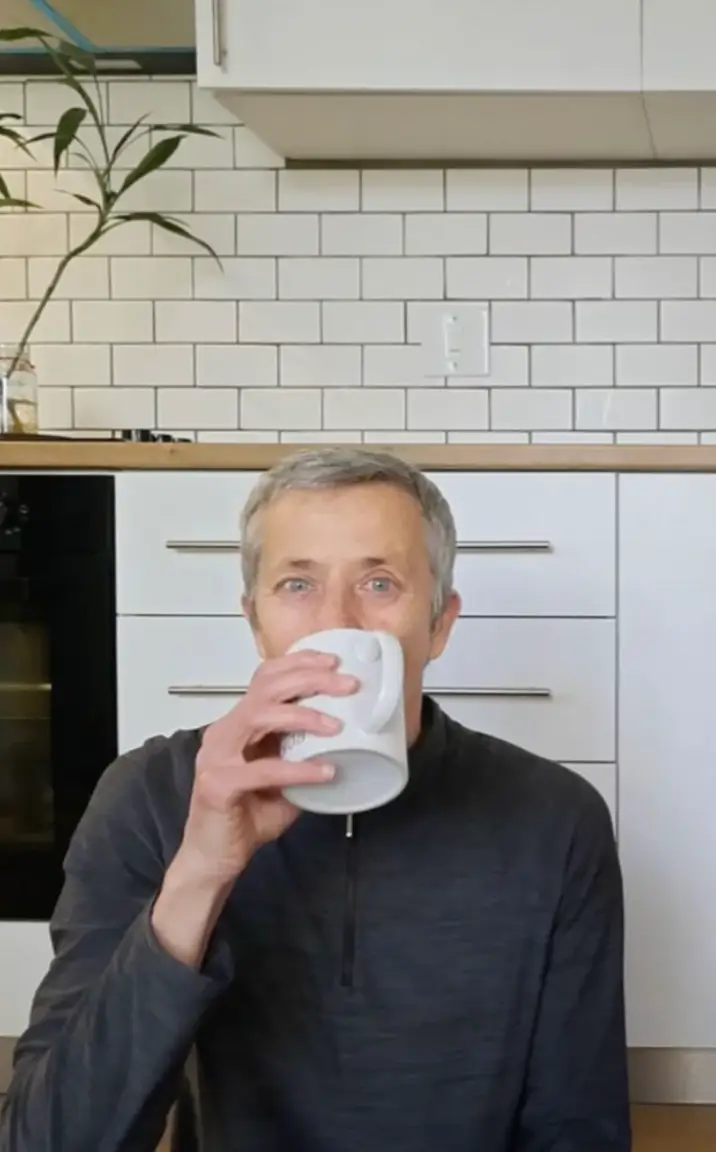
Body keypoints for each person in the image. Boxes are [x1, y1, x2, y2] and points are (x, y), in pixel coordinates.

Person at [0, 447, 630, 1152]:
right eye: (298, 585)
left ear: (439, 625)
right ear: (255, 621)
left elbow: (579, 1129)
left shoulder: (554, 820)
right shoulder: (151, 796)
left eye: (380, 583)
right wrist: (200, 874)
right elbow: (50, 1139)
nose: (339, 626)